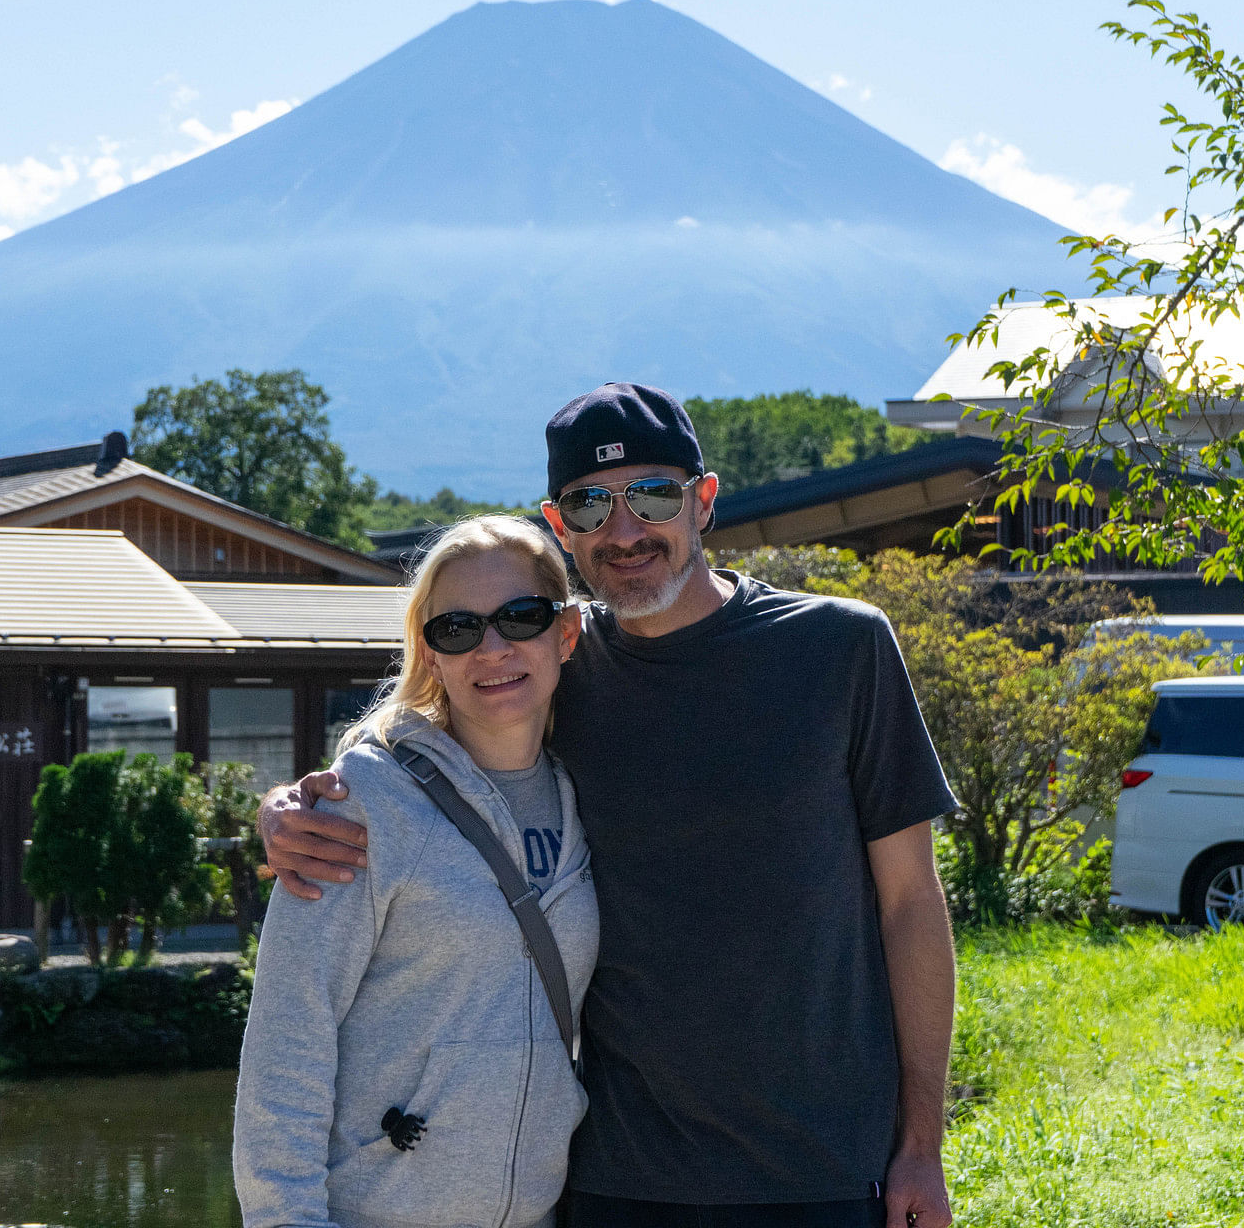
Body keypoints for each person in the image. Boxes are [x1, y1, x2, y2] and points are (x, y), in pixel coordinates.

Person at [262, 384, 960, 1228]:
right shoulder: (554, 656)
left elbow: (913, 905)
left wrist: (921, 1143)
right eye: (591, 504)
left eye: (652, 496)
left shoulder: (840, 648)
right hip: (614, 1179)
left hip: (821, 1170)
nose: (624, 531)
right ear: (561, 527)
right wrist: (293, 803)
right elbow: (425, 728)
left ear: (703, 501)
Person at [234, 514, 599, 1228]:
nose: (492, 649)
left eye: (520, 618)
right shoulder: (363, 802)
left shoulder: (595, 793)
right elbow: (288, 1040)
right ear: (430, 655)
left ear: (566, 632)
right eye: (457, 629)